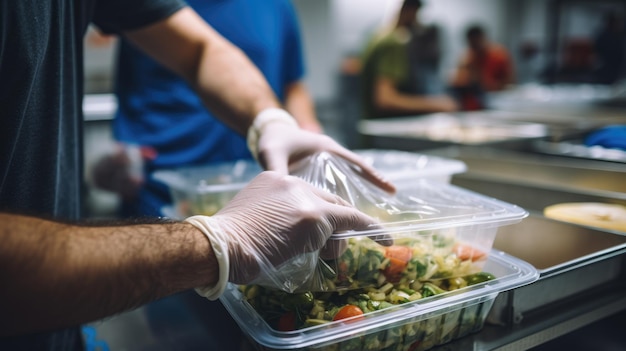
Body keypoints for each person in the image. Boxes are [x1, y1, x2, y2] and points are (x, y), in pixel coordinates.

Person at [0, 1, 395, 350]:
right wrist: (216, 243)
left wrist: (270, 120)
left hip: (65, 321)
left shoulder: (276, 7)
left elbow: (200, 51)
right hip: (155, 223)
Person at [94, 0, 324, 217]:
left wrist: (305, 132)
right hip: (161, 190)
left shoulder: (276, 5)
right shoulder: (144, 8)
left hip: (255, 185)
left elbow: (293, 85)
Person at [360, 0, 458, 120]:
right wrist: (437, 105)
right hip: (388, 128)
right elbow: (385, 99)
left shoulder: (377, 36)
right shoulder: (393, 42)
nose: (417, 20)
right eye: (416, 13)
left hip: (371, 126)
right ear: (407, 11)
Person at [449, 24, 515, 110]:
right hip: (477, 102)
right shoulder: (468, 57)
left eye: (476, 43)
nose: (474, 48)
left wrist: (489, 85)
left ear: (483, 38)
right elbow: (457, 82)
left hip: (499, 99)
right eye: (471, 45)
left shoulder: (499, 54)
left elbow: (510, 82)